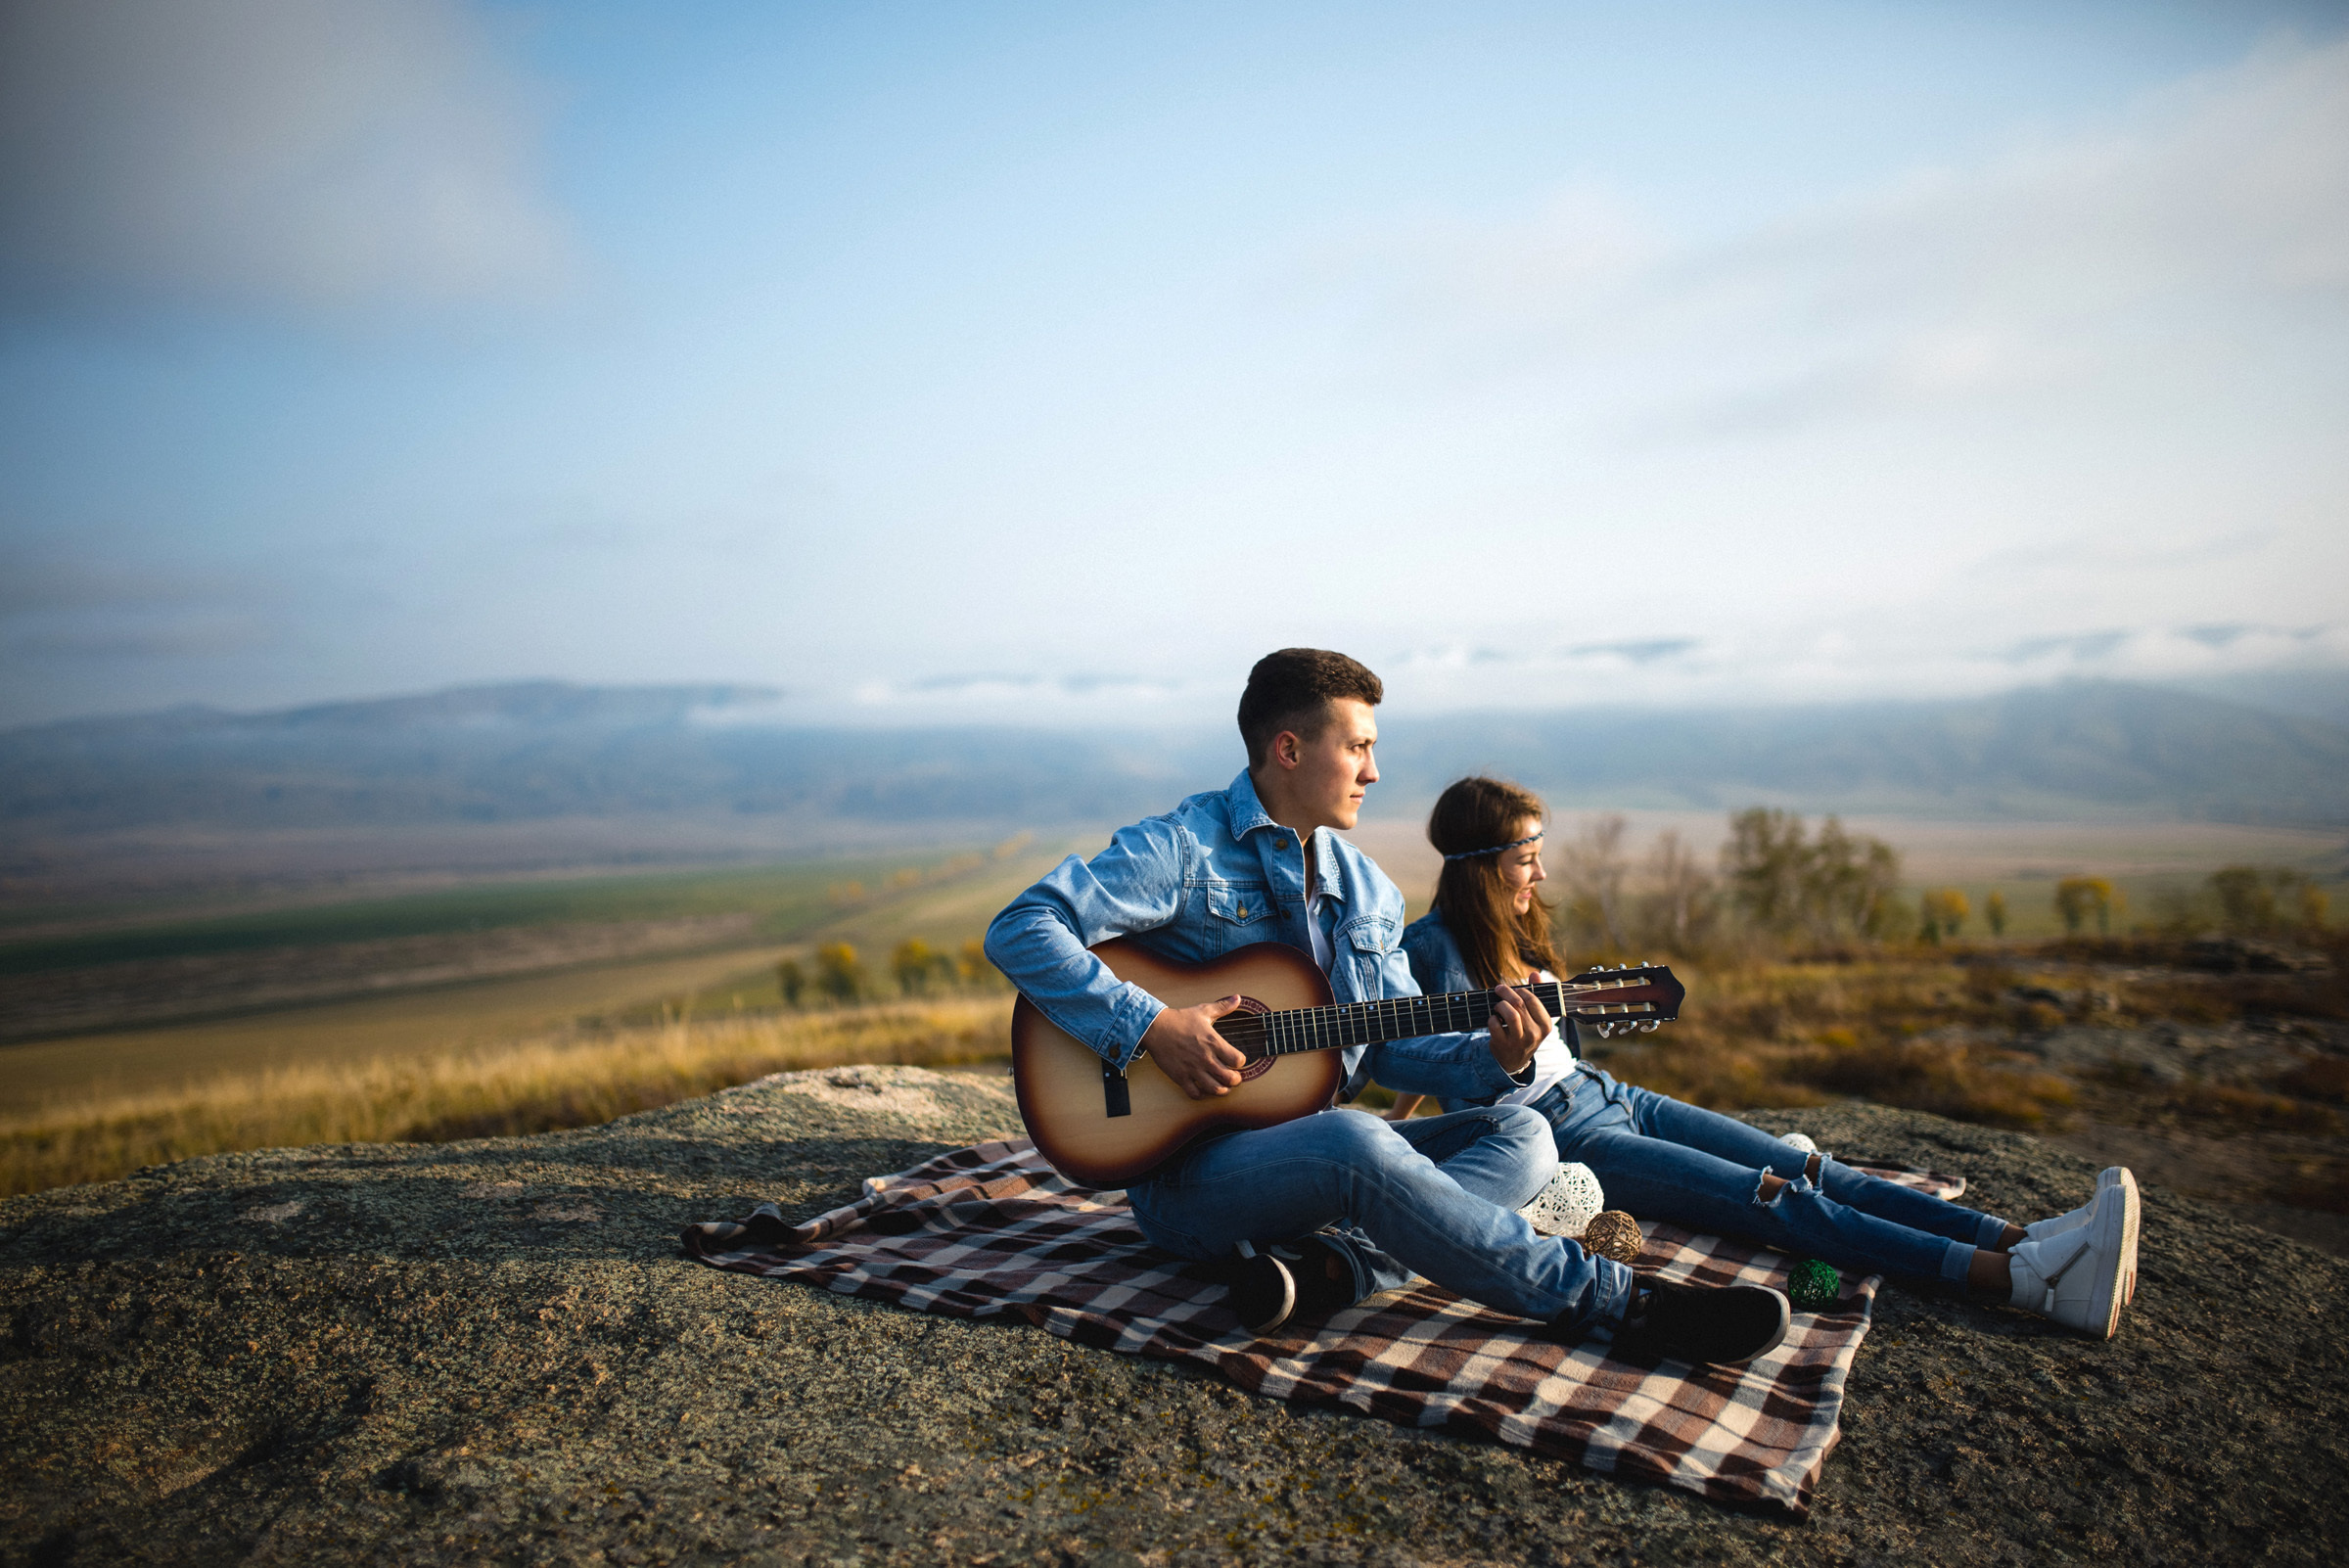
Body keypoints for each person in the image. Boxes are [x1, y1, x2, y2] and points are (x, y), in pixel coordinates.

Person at [986, 649, 1795, 1365]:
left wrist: (1495, 1058)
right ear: (1290, 749)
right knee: (1357, 1137)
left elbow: (1384, 1050)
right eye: (1360, 747)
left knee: (1522, 1131)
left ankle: (1337, 1270)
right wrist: (1155, 1027)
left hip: (1317, 1170)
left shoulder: (1366, 889)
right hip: (1191, 1179)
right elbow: (1023, 926)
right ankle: (1625, 1305)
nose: (1375, 772)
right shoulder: (1181, 849)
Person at [1398, 775, 2141, 1339]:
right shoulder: (1431, 949)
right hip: (1570, 1137)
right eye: (1528, 858)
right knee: (1776, 1199)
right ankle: (2023, 1283)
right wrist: (1406, 1140)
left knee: (1817, 1170)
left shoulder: (1520, 938)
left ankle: (2020, 1236)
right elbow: (1416, 1053)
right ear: (1484, 865)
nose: (1541, 874)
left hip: (1611, 1093)